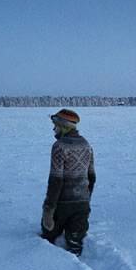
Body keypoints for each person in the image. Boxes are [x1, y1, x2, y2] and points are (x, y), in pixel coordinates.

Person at [41, 109, 96, 255]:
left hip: (62, 205)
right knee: (76, 244)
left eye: (55, 126)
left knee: (47, 241)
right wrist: (85, 200)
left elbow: (56, 181)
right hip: (82, 205)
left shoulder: (59, 147)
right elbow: (92, 177)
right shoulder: (86, 145)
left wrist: (48, 210)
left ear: (63, 127)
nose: (54, 129)